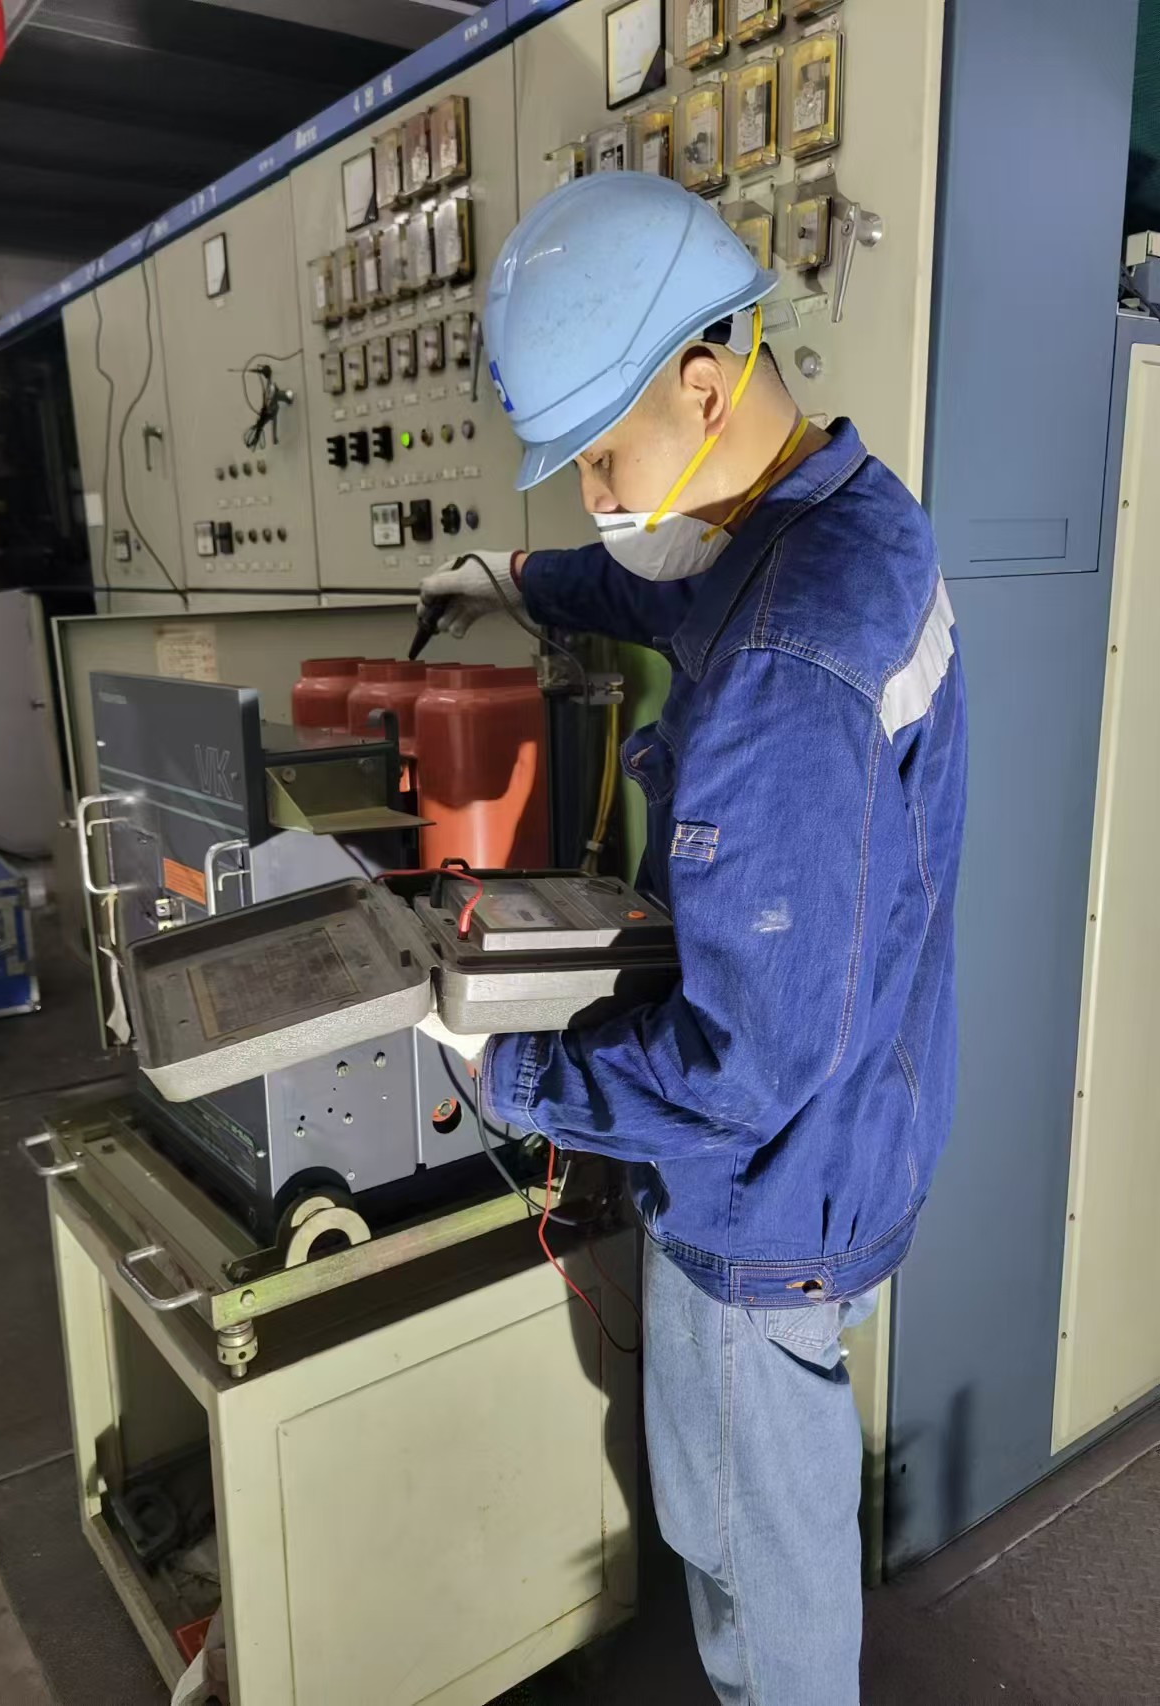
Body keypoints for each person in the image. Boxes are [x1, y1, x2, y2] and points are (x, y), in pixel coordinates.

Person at [417, 172, 967, 1705]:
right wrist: (521, 580)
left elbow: (743, 1072)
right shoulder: (843, 513)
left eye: (600, 454)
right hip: (868, 1123)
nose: (592, 491)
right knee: (771, 1527)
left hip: (767, 1199)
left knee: (753, 1574)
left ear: (706, 386)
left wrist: (510, 1072)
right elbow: (668, 585)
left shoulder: (787, 661)